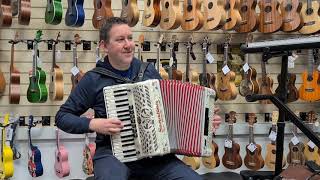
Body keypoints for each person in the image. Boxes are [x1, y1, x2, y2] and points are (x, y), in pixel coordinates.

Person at [55, 17, 222, 180]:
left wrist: (204, 122)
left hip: (156, 157)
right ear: (104, 46)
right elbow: (62, 117)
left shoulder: (148, 71)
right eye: (120, 40)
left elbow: (170, 111)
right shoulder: (93, 79)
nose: (128, 45)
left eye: (130, 38)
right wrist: (93, 124)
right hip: (112, 154)